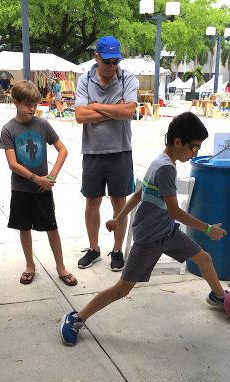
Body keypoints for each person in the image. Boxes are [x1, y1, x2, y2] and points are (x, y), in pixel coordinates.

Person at [60, 112, 228, 346]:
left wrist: (118, 217)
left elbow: (140, 192)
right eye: (194, 148)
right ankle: (76, 318)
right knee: (121, 289)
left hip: (166, 232)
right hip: (149, 239)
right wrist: (209, 229)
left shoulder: (161, 160)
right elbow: (175, 212)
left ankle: (219, 296)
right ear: (178, 142)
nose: (194, 154)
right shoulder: (166, 168)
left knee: (204, 258)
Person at [0, 80, 77, 287]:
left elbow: (63, 150)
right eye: (27, 104)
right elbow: (13, 164)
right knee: (24, 227)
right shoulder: (9, 129)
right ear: (16, 102)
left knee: (52, 227)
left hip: (43, 188)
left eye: (35, 104)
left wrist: (51, 176)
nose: (32, 108)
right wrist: (36, 179)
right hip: (21, 189)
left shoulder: (42, 125)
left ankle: (61, 266)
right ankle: (30, 265)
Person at [74, 35, 138, 272]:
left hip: (121, 150)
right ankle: (93, 248)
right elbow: (80, 116)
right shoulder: (85, 80)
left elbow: (129, 111)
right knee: (93, 201)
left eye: (116, 62)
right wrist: (115, 109)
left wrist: (95, 106)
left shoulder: (127, 78)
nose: (112, 67)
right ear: (96, 57)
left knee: (119, 202)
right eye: (107, 62)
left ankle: (117, 249)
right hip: (92, 150)